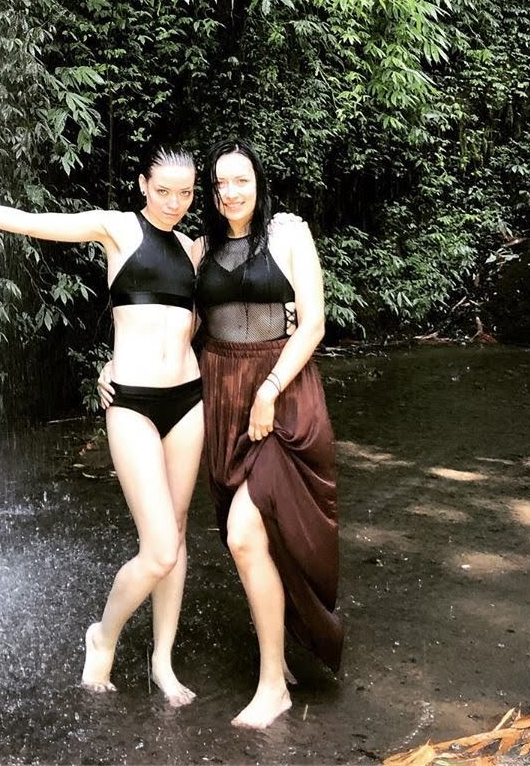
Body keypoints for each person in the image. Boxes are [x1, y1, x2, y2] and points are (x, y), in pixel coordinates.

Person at [0, 142, 205, 705]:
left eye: (185, 193)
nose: (174, 203)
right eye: (163, 191)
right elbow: (30, 222)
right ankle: (103, 636)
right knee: (160, 548)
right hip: (134, 402)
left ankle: (162, 659)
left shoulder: (193, 248)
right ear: (143, 184)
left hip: (189, 401)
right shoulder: (117, 228)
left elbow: (204, 317)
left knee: (180, 530)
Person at [103, 138, 341, 728]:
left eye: (242, 180)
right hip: (223, 396)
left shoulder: (289, 233)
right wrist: (114, 365)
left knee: (243, 534)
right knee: (258, 536)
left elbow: (313, 322)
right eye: (220, 183)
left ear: (259, 183)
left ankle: (272, 686)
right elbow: (173, 325)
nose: (230, 192)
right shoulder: (200, 248)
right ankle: (280, 649)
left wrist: (271, 389)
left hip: (281, 396)